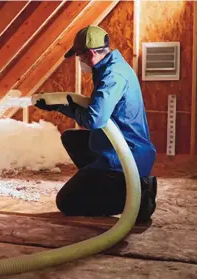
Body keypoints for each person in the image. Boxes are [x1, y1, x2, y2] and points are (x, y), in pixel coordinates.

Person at [35, 25, 157, 223]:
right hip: (123, 147)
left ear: (91, 53)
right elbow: (97, 110)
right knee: (71, 138)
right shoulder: (111, 66)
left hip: (128, 157)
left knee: (66, 202)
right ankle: (101, 183)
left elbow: (95, 119)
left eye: (80, 57)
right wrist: (61, 106)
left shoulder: (112, 76)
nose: (80, 61)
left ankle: (137, 196)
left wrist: (64, 108)